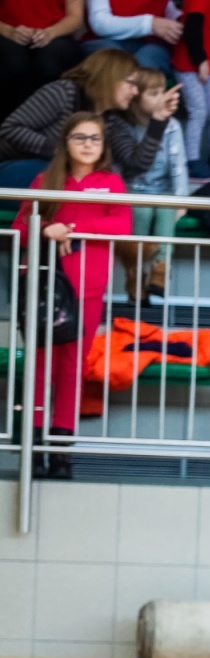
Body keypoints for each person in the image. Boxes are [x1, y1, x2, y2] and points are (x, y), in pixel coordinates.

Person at [12, 113, 132, 481]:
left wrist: (74, 226)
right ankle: (33, 444)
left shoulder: (111, 182)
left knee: (73, 368)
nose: (87, 144)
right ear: (65, 142)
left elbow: (121, 226)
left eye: (94, 139)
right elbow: (21, 225)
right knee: (40, 365)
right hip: (46, 286)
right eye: (79, 137)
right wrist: (48, 228)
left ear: (103, 146)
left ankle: (62, 447)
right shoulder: (45, 180)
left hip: (89, 287)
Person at [0, 49, 179, 191]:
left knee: (105, 179)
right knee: (69, 175)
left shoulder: (111, 119)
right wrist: (62, 151)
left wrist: (158, 120)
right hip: (14, 169)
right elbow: (11, 128)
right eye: (131, 83)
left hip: (58, 180)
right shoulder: (63, 92)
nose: (135, 92)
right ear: (111, 78)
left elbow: (135, 166)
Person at [118, 65, 186, 303]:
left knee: (166, 211)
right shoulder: (125, 127)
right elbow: (119, 167)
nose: (161, 99)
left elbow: (178, 165)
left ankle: (160, 269)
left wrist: (181, 201)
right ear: (136, 97)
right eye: (153, 94)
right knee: (143, 212)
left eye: (163, 92)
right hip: (133, 192)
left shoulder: (172, 127)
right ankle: (135, 273)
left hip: (163, 192)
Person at [0, 0, 84, 121]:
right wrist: (9, 31)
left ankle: (50, 124)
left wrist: (51, 33)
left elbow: (75, 17)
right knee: (14, 61)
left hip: (56, 34)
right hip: (7, 33)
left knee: (50, 61)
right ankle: (9, 126)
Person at [172, 0, 210, 177]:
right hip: (189, 66)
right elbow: (192, 29)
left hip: (209, 67)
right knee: (199, 111)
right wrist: (200, 60)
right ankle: (192, 160)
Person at [83, 0, 179, 72]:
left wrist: (179, 20)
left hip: (151, 43)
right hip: (105, 40)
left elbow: (169, 10)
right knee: (113, 62)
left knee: (145, 63)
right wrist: (150, 24)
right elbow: (99, 23)